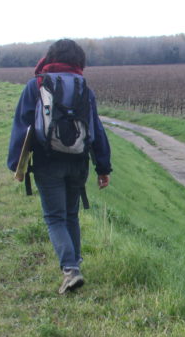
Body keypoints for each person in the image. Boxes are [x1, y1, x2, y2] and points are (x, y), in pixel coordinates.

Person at [7, 39, 111, 294]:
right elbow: (96, 129)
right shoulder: (84, 88)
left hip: (47, 160)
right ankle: (74, 262)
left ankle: (70, 269)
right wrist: (103, 167)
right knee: (71, 214)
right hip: (78, 160)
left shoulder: (37, 85)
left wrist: (15, 165)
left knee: (55, 218)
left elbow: (22, 127)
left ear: (50, 57)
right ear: (79, 61)